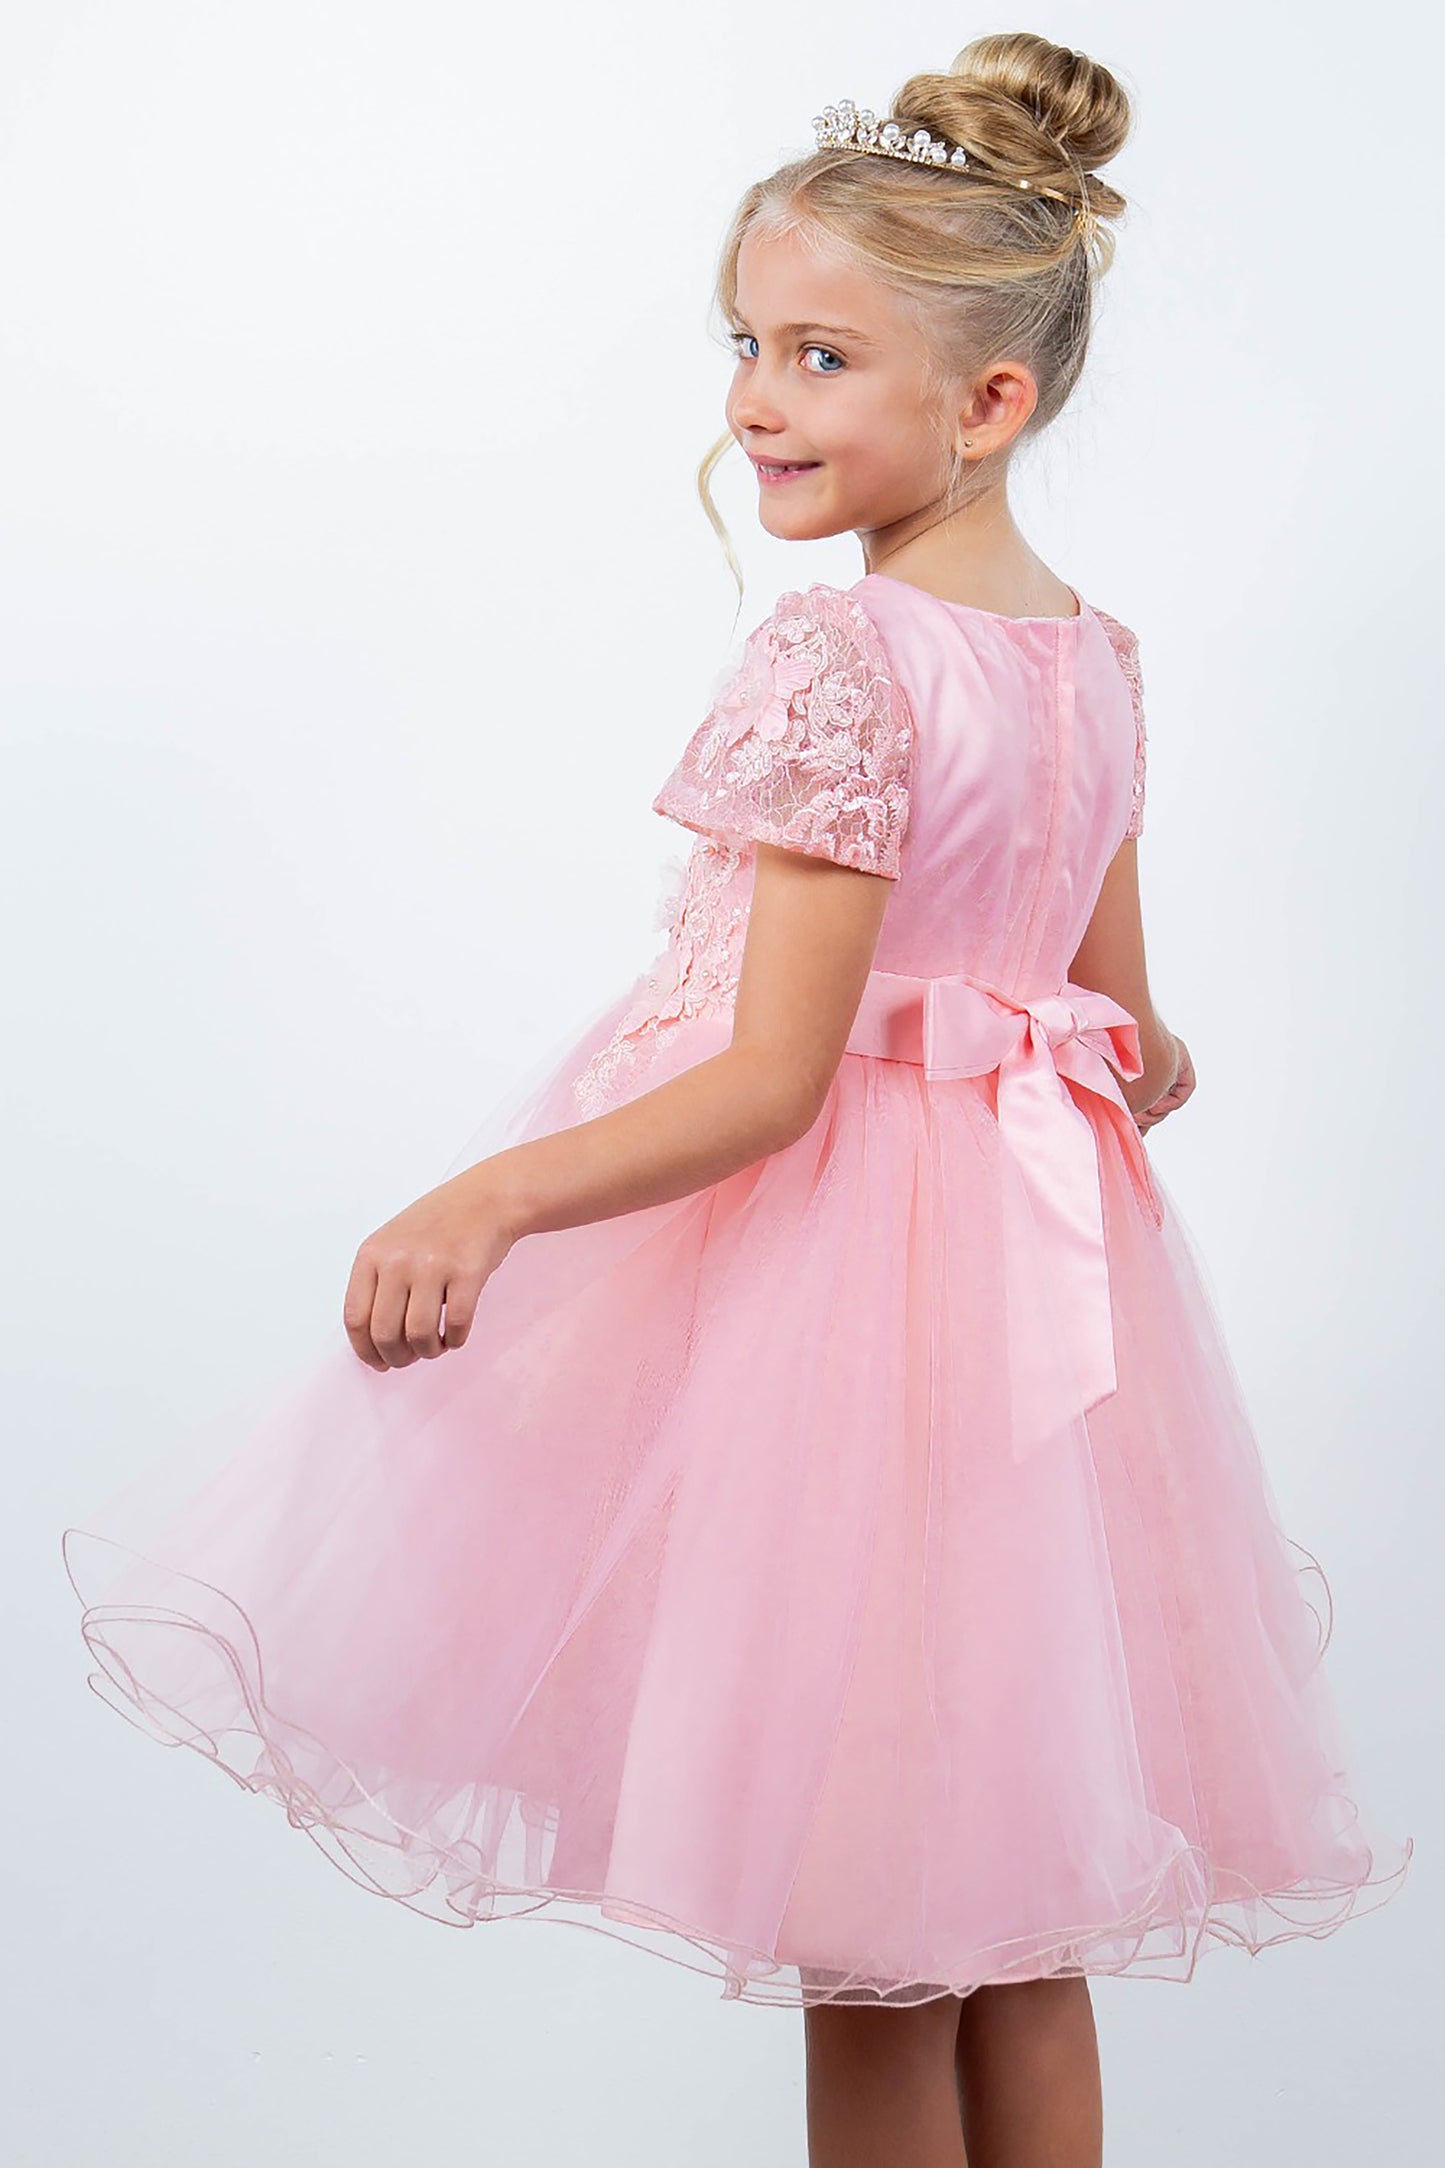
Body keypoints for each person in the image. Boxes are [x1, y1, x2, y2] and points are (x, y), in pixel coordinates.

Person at [62, 29, 1411, 2168]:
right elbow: (1135, 1041)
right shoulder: (1095, 658)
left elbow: (774, 1083)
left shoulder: (844, 660)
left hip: (853, 1331)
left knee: (875, 1932)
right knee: (1016, 1906)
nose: (759, 400)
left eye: (818, 356)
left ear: (990, 403)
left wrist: (493, 1195)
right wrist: (1057, 1056)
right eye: (748, 344)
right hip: (1043, 1328)